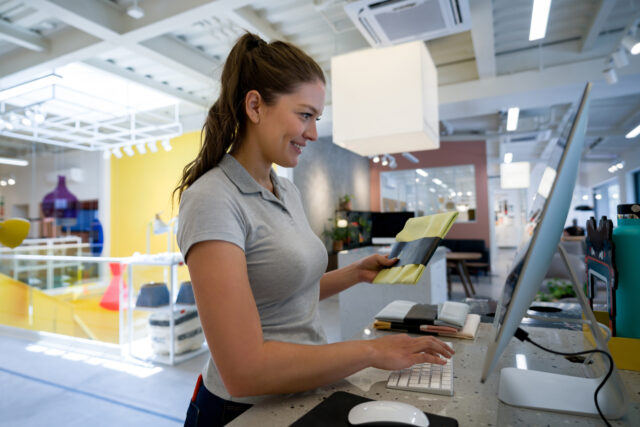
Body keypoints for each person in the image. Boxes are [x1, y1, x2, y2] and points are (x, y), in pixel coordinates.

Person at [174, 33, 454, 426]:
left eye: (316, 118)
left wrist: (355, 274)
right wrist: (372, 352)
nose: (313, 133)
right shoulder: (212, 199)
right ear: (255, 105)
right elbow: (243, 369)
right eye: (305, 115)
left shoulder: (285, 189)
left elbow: (283, 292)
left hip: (305, 391)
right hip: (244, 411)